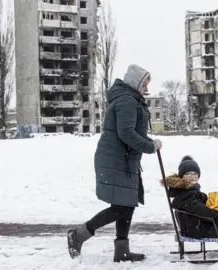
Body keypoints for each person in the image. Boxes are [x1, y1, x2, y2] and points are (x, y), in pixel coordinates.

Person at [67, 64, 162, 262]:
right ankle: (78, 235)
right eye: (144, 84)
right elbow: (126, 133)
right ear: (135, 82)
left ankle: (122, 251)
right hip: (116, 159)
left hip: (122, 158)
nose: (146, 89)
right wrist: (150, 146)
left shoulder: (129, 98)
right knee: (122, 207)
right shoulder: (127, 100)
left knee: (127, 204)